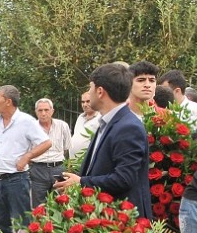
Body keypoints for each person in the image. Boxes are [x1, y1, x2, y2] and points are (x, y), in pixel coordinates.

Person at [55, 63, 152, 218]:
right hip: (105, 217)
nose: (88, 93)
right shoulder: (108, 122)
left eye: (90, 88)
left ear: (100, 91)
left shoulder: (128, 127)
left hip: (122, 221)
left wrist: (81, 182)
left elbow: (124, 178)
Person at [0, 85, 52, 233]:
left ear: (8, 101)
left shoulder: (26, 121)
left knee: (22, 223)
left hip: (17, 179)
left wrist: (28, 156)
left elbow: (47, 142)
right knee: (1, 223)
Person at [29, 98, 72, 207]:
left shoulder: (63, 126)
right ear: (36, 112)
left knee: (61, 203)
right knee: (38, 207)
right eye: (40, 110)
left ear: (52, 111)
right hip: (38, 170)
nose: (43, 113)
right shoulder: (30, 128)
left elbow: (67, 148)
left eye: (46, 110)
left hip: (58, 168)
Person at [72, 89, 101, 156]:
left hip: (88, 160)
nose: (85, 104)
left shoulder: (99, 118)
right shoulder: (80, 117)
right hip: (74, 162)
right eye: (83, 102)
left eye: (88, 101)